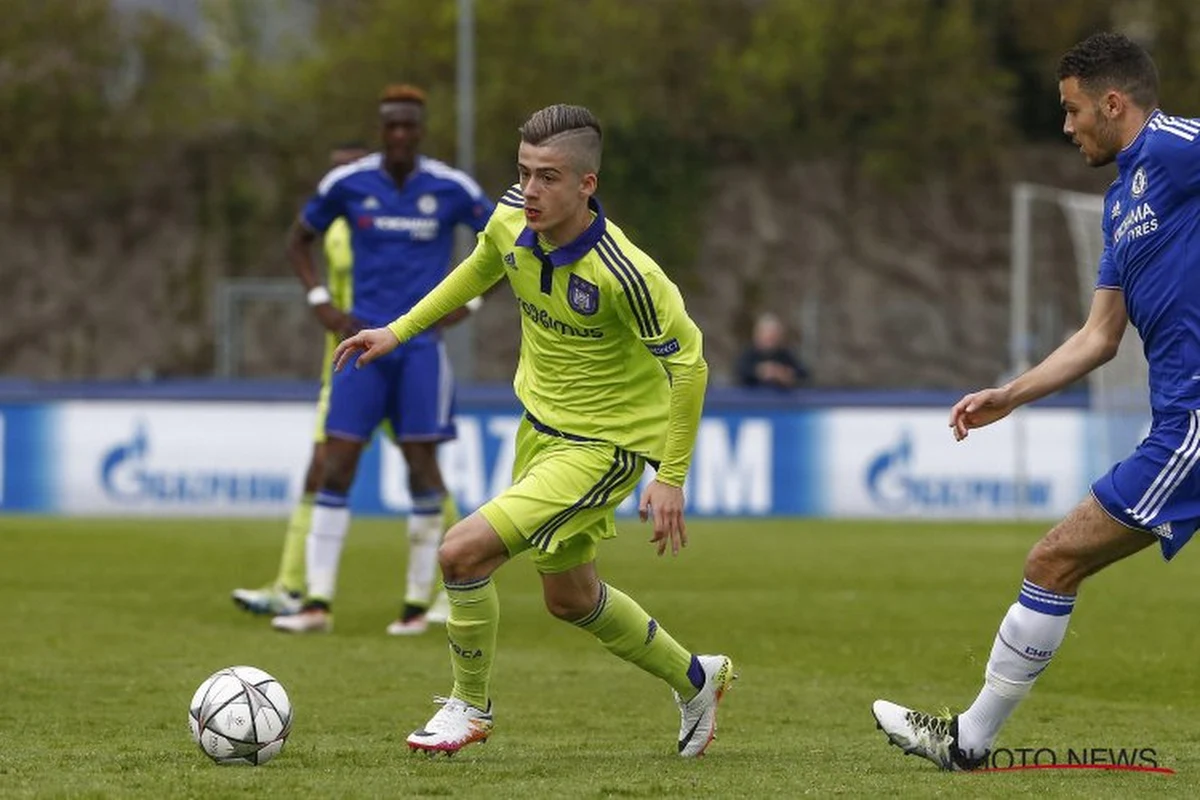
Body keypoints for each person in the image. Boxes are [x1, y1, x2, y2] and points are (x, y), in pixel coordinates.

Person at [333, 104, 734, 757]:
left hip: (603, 448)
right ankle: (697, 679)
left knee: (460, 553)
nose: (531, 191)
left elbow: (689, 368)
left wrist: (672, 476)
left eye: (549, 177)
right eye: (524, 172)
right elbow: (481, 266)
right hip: (539, 433)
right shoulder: (513, 214)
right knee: (571, 600)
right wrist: (398, 328)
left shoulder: (628, 275)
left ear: (587, 185)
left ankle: (470, 706)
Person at [873, 32, 1200, 770]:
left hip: (1195, 425)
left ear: (1113, 103)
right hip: (1181, 421)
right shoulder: (1121, 208)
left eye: (1072, 109)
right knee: (1054, 562)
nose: (1066, 126)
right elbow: (1098, 335)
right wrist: (1010, 396)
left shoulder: (1180, 149)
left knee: (1053, 560)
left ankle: (968, 741)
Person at [271, 84, 494, 636]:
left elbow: (507, 241)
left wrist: (472, 302)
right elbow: (298, 239)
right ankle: (316, 603)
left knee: (422, 466)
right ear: (381, 129)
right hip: (360, 346)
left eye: (408, 125)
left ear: (420, 130)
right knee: (337, 462)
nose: (399, 134)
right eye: (390, 125)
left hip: (420, 349)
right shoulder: (349, 183)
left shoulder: (449, 187)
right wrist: (321, 302)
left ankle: (416, 607)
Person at [735, 312, 809, 389]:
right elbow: (739, 373)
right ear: (758, 335)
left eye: (774, 336)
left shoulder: (786, 355)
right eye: (767, 335)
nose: (770, 339)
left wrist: (786, 375)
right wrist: (760, 372)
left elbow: (804, 375)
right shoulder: (748, 355)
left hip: (781, 399)